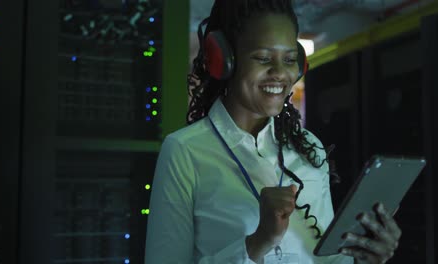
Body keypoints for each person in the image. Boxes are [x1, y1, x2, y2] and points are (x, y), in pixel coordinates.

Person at [145, 0, 401, 263]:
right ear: (223, 59)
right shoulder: (184, 150)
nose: (281, 73)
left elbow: (328, 260)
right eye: (263, 58)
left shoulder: (309, 146)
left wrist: (365, 257)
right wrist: (257, 243)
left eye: (290, 59)